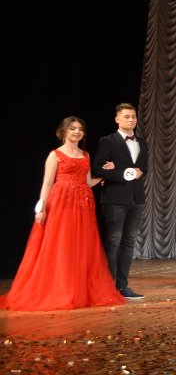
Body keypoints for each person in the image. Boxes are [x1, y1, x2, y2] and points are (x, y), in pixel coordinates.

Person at [0, 117, 124, 311]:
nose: (77, 132)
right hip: (61, 204)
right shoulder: (55, 155)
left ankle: (76, 290)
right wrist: (41, 208)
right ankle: (59, 289)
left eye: (80, 129)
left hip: (83, 204)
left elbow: (88, 181)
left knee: (80, 246)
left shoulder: (85, 155)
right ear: (64, 131)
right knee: (61, 244)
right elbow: (47, 183)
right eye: (72, 128)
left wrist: (105, 174)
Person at [92, 102, 150, 299]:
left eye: (133, 116)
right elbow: (98, 169)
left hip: (137, 198)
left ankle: (123, 286)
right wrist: (122, 173)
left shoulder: (142, 142)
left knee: (129, 242)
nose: (131, 120)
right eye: (126, 116)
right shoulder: (107, 141)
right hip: (114, 198)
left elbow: (143, 169)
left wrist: (139, 172)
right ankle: (108, 287)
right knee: (113, 242)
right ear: (117, 119)